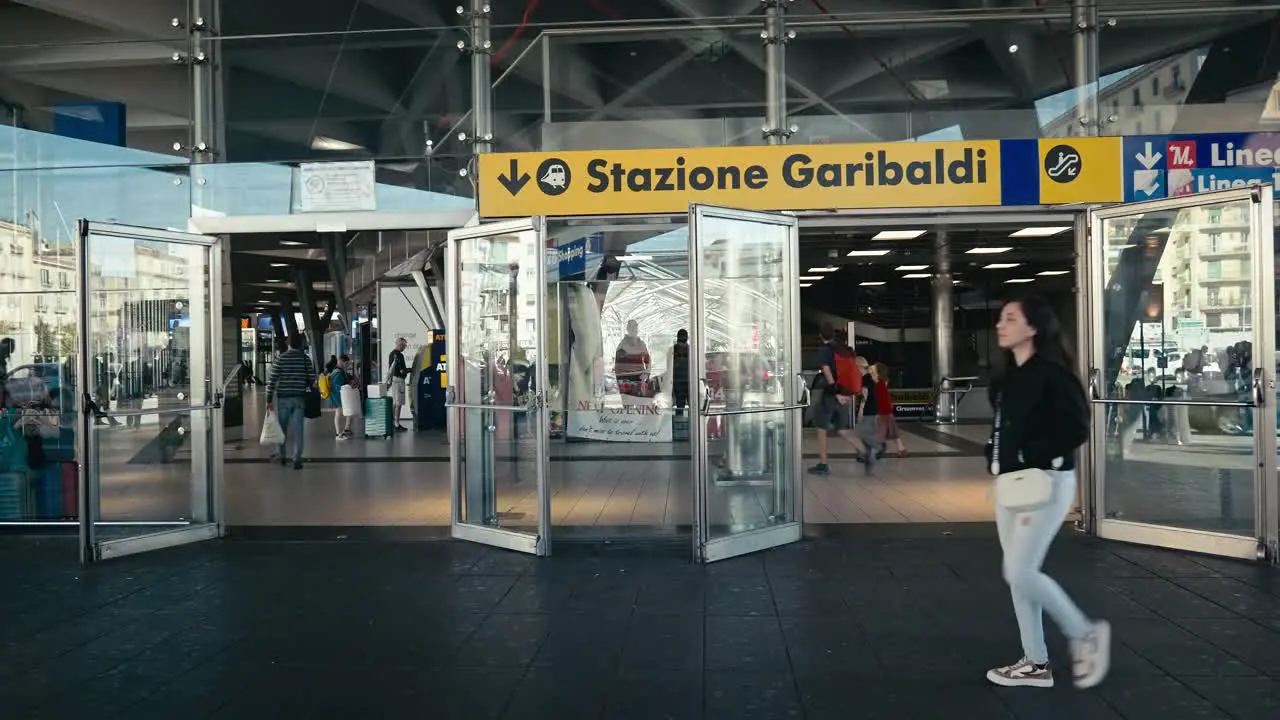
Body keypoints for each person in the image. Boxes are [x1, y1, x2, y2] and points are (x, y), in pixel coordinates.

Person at [984, 295, 1110, 690]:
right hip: (1011, 484)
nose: (1000, 325)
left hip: (1047, 483)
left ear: (1033, 327)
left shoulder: (1054, 374)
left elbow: (1075, 428)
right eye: (1001, 319)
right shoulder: (1008, 375)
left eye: (1010, 318)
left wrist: (1028, 454)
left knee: (1018, 571)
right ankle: (1035, 662)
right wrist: (996, 453)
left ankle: (1084, 633)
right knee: (1020, 577)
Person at [808, 323, 867, 475]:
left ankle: (823, 464)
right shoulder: (845, 349)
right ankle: (865, 451)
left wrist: (836, 393)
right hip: (845, 392)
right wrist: (845, 394)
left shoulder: (825, 351)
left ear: (821, 336)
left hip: (831, 394)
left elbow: (827, 371)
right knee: (842, 429)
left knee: (821, 428)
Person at [267, 334, 317, 470]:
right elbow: (313, 380)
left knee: (281, 429)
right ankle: (297, 459)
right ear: (301, 344)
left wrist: (268, 399)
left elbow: (272, 380)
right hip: (299, 398)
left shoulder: (281, 358)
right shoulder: (305, 359)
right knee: (298, 430)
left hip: (283, 398)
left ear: (288, 344)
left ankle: (282, 456)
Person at [872, 362, 907, 457]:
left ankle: (878, 449)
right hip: (886, 409)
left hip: (882, 409)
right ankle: (901, 448)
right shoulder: (883, 381)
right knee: (893, 431)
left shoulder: (877, 381)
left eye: (874, 369)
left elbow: (880, 397)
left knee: (880, 431)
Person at [614, 319, 651, 398]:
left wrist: (646, 374)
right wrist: (620, 382)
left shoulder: (641, 344)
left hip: (639, 378)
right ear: (627, 329)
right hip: (625, 379)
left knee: (639, 404)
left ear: (637, 328)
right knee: (628, 404)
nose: (633, 328)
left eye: (635, 326)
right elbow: (617, 365)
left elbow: (648, 361)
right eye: (631, 326)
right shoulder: (622, 345)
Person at [386, 337, 410, 432]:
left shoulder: (392, 354)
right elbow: (401, 370)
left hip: (394, 380)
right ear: (399, 344)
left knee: (395, 402)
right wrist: (411, 369)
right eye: (403, 345)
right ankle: (396, 423)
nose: (404, 348)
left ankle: (393, 422)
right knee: (398, 403)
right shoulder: (398, 355)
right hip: (398, 380)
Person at [328, 354, 353, 439]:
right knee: (339, 412)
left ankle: (345, 430)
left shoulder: (339, 371)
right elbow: (338, 386)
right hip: (338, 396)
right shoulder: (338, 372)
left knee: (346, 412)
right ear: (341, 361)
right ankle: (338, 434)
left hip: (338, 396)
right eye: (346, 363)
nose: (347, 365)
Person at [669, 329, 690, 416]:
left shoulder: (673, 349)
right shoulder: (690, 349)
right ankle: (689, 424)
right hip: (684, 380)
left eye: (683, 339)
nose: (682, 342)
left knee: (680, 404)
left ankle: (680, 422)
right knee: (690, 404)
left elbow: (669, 366)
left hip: (681, 380)